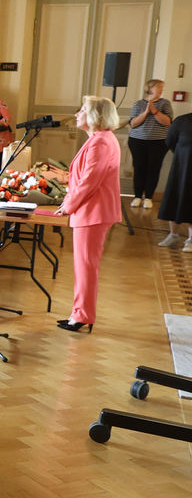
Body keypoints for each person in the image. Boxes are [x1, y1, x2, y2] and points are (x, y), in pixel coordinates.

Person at [51, 96, 122, 332]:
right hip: (92, 210)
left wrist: (68, 205)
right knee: (84, 265)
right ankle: (80, 314)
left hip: (94, 212)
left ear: (95, 116)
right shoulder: (99, 139)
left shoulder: (101, 141)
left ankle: (82, 316)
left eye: (82, 110)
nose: (77, 114)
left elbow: (89, 181)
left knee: (86, 266)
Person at [129, 79, 173, 209]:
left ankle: (148, 197)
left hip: (158, 142)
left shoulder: (165, 103)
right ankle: (137, 196)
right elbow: (133, 123)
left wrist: (154, 110)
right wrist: (146, 112)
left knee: (153, 169)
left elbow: (167, 122)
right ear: (149, 88)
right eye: (158, 87)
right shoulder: (138, 104)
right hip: (137, 141)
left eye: (162, 88)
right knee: (139, 168)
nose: (160, 90)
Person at [158, 111, 192, 250]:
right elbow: (170, 142)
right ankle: (173, 234)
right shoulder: (182, 120)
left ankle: (191, 240)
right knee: (175, 199)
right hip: (181, 167)